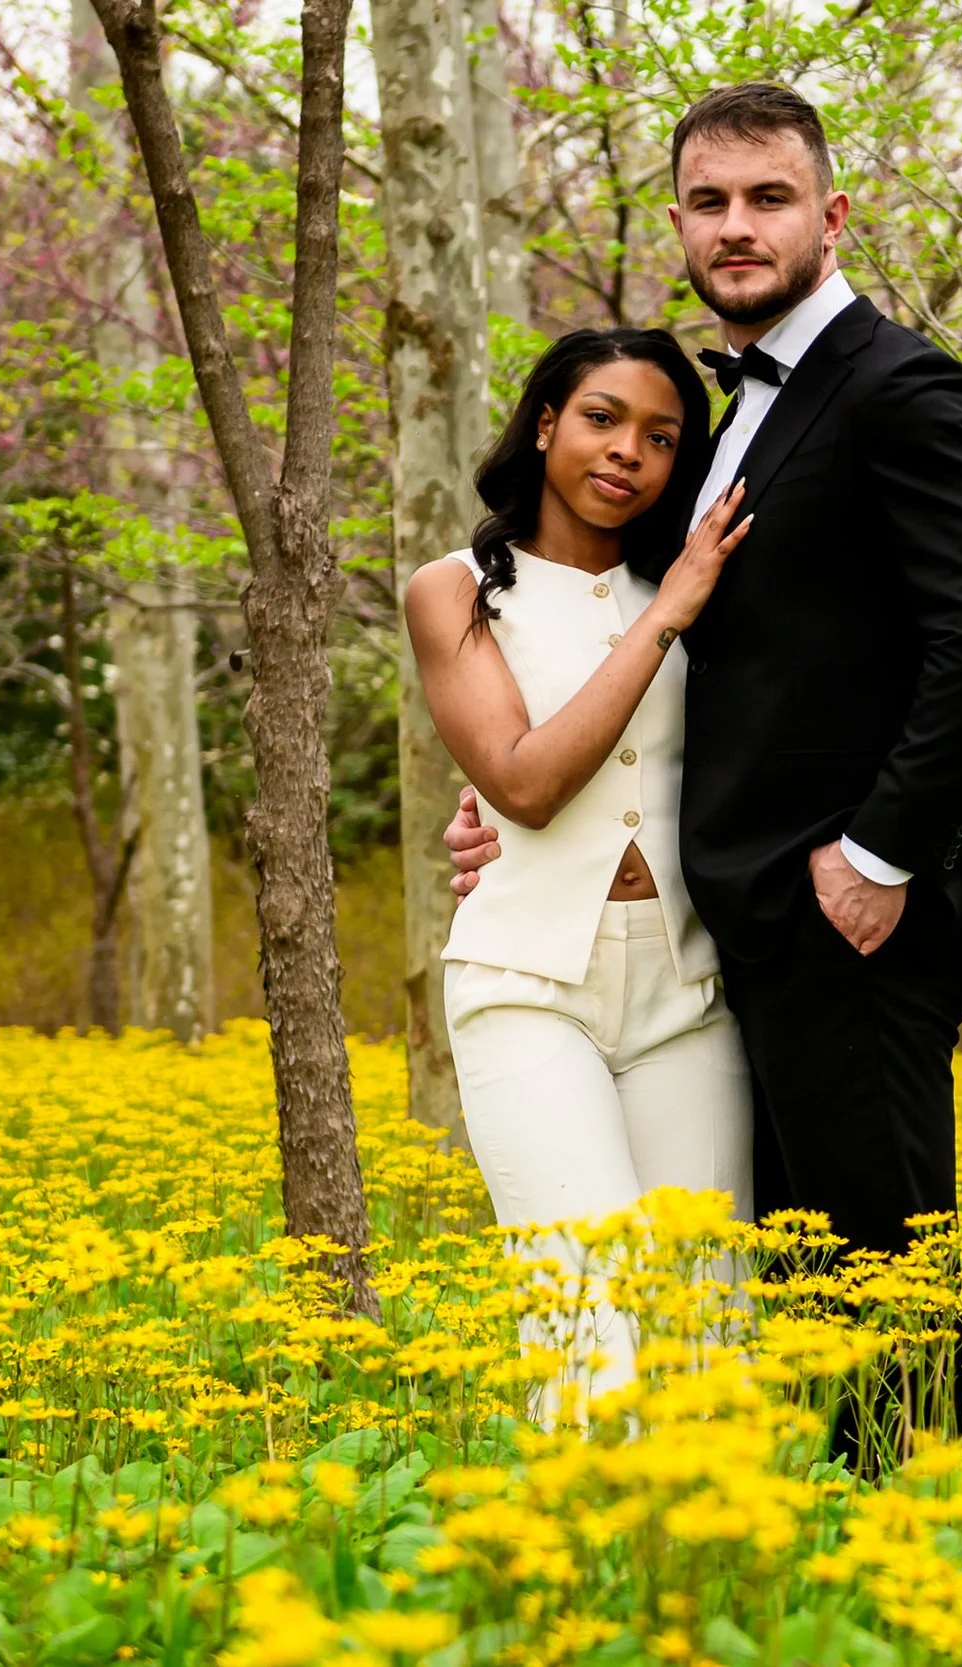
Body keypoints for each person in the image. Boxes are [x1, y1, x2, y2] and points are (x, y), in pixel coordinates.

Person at [444, 84, 962, 1453]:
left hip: (854, 912)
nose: (738, 226)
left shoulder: (906, 389)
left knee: (893, 1282)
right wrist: (507, 791)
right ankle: (858, 1551)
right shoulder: (732, 423)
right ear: (678, 224)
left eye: (769, 198)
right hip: (747, 932)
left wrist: (882, 852)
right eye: (711, 202)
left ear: (832, 217)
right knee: (823, 1291)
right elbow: (696, 657)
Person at [402, 327, 756, 1416]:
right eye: (602, 418)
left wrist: (682, 596)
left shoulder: (700, 588)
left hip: (689, 987)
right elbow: (523, 783)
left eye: (660, 436)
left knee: (709, 1324)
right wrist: (668, 614)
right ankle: (581, 1567)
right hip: (526, 983)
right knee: (583, 1315)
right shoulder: (455, 589)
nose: (628, 453)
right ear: (547, 421)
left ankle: (710, 1570)